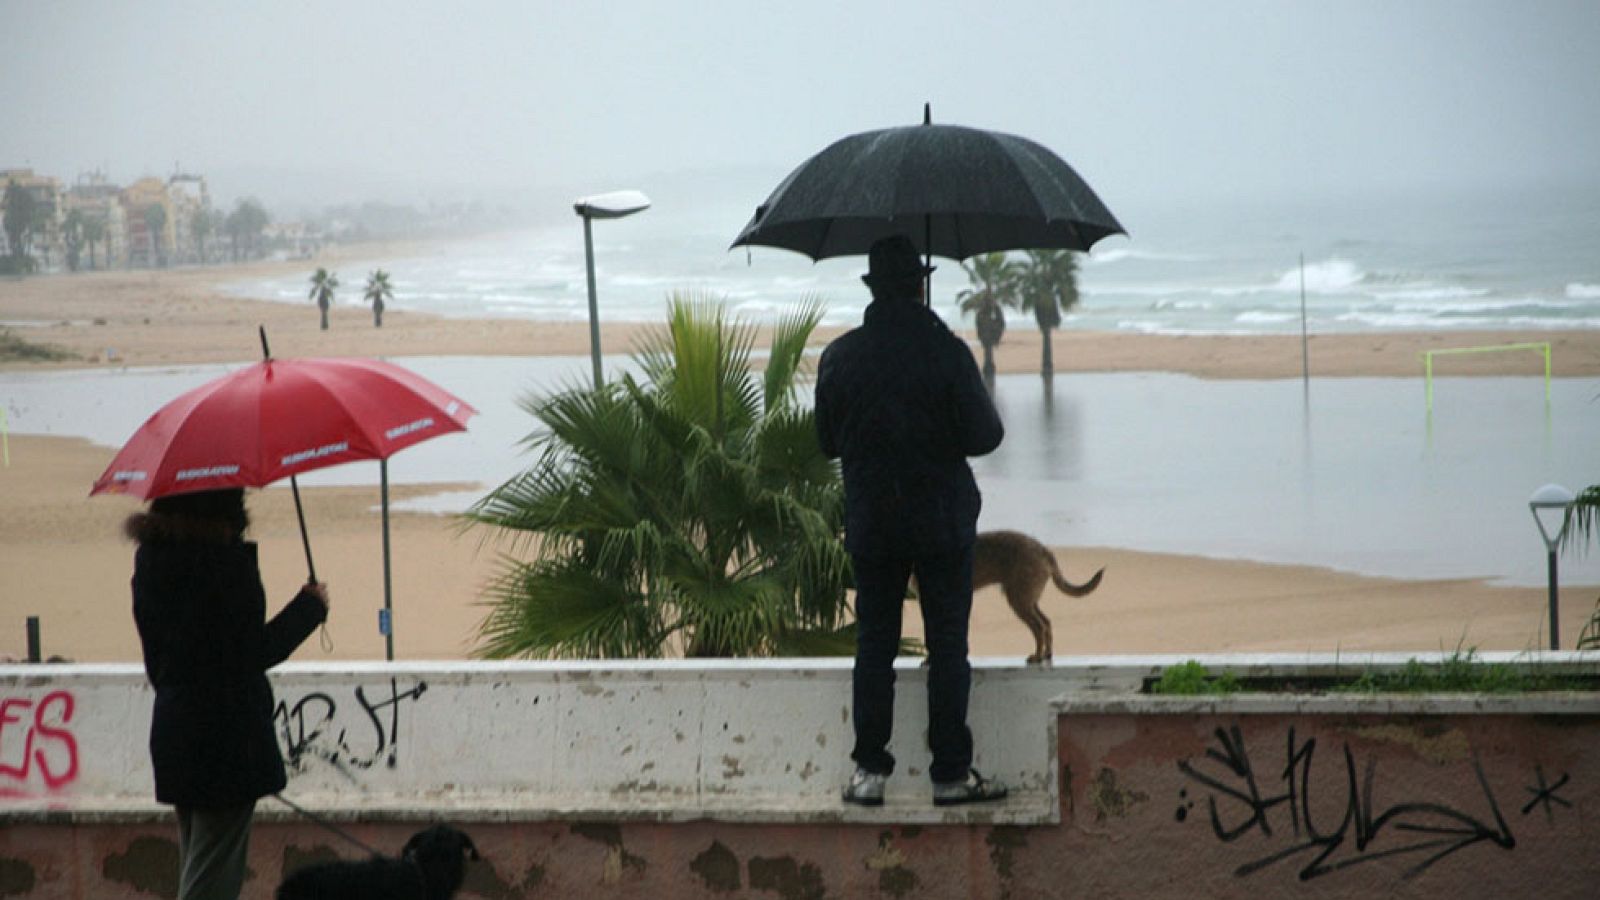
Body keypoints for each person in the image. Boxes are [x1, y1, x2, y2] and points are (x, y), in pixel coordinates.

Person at [814, 234, 1008, 807]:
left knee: (874, 644)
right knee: (948, 645)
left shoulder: (841, 357)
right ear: (920, 285)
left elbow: (826, 442)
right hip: (942, 523)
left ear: (874, 288)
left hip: (873, 521)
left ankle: (869, 772)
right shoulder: (945, 351)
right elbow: (986, 436)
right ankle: (950, 773)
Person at [125, 488, 329, 900]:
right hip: (227, 740)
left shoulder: (150, 562)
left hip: (175, 730)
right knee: (214, 873)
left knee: (199, 859)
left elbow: (161, 660)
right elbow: (250, 652)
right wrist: (309, 610)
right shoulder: (223, 565)